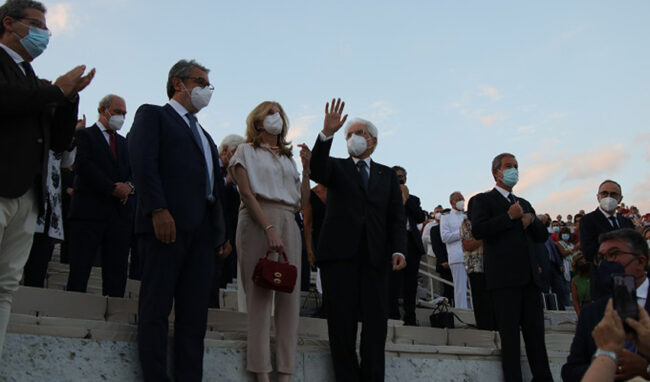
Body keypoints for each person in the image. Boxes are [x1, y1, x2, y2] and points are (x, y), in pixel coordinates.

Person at [0, 0, 94, 356]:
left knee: (6, 286)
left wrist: (70, 98)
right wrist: (56, 90)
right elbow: (7, 100)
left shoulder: (34, 82)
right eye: (37, 25)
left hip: (27, 195)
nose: (44, 34)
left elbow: (58, 140)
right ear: (9, 23)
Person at [128, 59, 227, 382]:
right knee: (156, 308)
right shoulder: (153, 116)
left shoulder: (206, 136)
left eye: (208, 84)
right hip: (166, 226)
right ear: (178, 83)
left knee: (193, 315)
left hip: (201, 234)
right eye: (200, 82)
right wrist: (158, 209)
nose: (206, 90)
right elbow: (143, 164)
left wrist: (219, 232)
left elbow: (215, 186)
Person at [310, 98, 407, 382]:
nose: (355, 138)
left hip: (376, 258)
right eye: (349, 134)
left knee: (376, 326)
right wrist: (326, 133)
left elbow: (396, 217)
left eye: (361, 133)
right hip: (339, 258)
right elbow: (316, 169)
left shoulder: (387, 175)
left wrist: (399, 248)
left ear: (374, 141)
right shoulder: (336, 167)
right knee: (341, 325)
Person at [229, 101, 311, 382]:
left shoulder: (288, 159)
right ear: (258, 120)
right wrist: (268, 228)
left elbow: (303, 203)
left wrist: (307, 169)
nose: (275, 116)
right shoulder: (245, 151)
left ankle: (285, 372)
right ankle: (261, 372)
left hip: (289, 218)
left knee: (289, 298)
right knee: (260, 298)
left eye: (278, 112)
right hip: (257, 219)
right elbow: (246, 193)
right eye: (269, 112)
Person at [470, 152, 552, 382]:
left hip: (529, 280)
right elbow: (479, 230)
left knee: (536, 337)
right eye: (508, 166)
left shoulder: (524, 203)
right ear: (496, 172)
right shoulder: (482, 200)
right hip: (504, 280)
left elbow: (540, 236)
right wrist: (508, 217)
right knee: (510, 339)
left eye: (516, 166)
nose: (513, 170)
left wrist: (532, 220)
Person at [65, 94, 134, 297]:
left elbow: (134, 171)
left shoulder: (124, 143)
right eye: (118, 112)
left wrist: (129, 187)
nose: (121, 117)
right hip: (88, 211)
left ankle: (113, 311)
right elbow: (84, 166)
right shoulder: (85, 135)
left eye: (124, 113)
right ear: (104, 110)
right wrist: (112, 188)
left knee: (117, 270)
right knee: (80, 266)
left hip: (118, 215)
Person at [562, 228, 650, 382]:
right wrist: (607, 365)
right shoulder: (591, 312)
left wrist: (646, 369)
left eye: (614, 254)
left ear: (641, 262)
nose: (605, 263)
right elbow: (570, 371)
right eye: (601, 257)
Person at [22, 146, 76, 287]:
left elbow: (66, 162)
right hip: (21, 193)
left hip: (49, 203)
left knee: (38, 264)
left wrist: (69, 138)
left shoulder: (60, 132)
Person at [580, 180, 634, 300]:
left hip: (626, 280)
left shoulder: (626, 222)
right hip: (602, 279)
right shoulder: (588, 220)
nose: (609, 197)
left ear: (620, 199)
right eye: (604, 193)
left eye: (614, 194)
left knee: (628, 315)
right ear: (598, 197)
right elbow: (588, 251)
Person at [209, 134, 244, 308]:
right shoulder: (211, 170)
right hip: (210, 237)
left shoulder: (232, 180)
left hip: (226, 240)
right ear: (225, 150)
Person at [389, 165, 426, 325]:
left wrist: (407, 198)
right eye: (397, 176)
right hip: (394, 243)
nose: (401, 179)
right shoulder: (387, 196)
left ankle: (410, 316)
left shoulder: (414, 199)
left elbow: (419, 217)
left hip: (412, 243)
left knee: (411, 283)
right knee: (393, 281)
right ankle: (393, 314)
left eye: (403, 176)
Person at [462, 197, 495, 330]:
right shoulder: (466, 223)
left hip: (492, 265)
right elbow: (468, 245)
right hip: (475, 267)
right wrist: (486, 234)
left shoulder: (490, 221)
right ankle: (484, 326)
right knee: (480, 298)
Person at [441, 191, 470, 309]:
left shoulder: (468, 216)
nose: (461, 201)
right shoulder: (446, 217)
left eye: (462, 198)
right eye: (458, 199)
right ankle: (462, 314)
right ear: (451, 202)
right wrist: (461, 233)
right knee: (460, 289)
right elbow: (445, 237)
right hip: (457, 257)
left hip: (471, 255)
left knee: (475, 287)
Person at [431, 208, 454, 304]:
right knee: (448, 288)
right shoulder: (435, 229)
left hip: (455, 261)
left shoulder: (454, 228)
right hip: (445, 264)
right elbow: (436, 246)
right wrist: (443, 261)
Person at [556, 226, 576, 306]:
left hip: (573, 266)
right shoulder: (559, 243)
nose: (565, 235)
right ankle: (568, 305)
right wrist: (573, 249)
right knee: (566, 288)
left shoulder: (571, 244)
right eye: (564, 234)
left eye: (567, 234)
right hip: (566, 266)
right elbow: (563, 253)